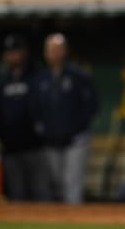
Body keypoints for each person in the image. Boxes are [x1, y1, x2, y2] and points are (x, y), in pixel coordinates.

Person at [33, 33, 99, 204]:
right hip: (50, 141)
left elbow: (92, 106)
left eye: (57, 49)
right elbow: (35, 109)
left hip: (75, 141)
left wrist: (78, 129)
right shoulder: (41, 78)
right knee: (55, 184)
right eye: (50, 50)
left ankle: (74, 220)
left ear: (65, 51)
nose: (53, 53)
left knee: (72, 184)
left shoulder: (78, 76)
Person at [0, 34, 48, 201]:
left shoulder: (37, 76)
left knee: (41, 193)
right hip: (10, 148)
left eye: (16, 51)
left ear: (24, 53)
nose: (13, 55)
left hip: (35, 147)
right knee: (17, 194)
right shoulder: (2, 81)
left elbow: (44, 108)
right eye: (9, 52)